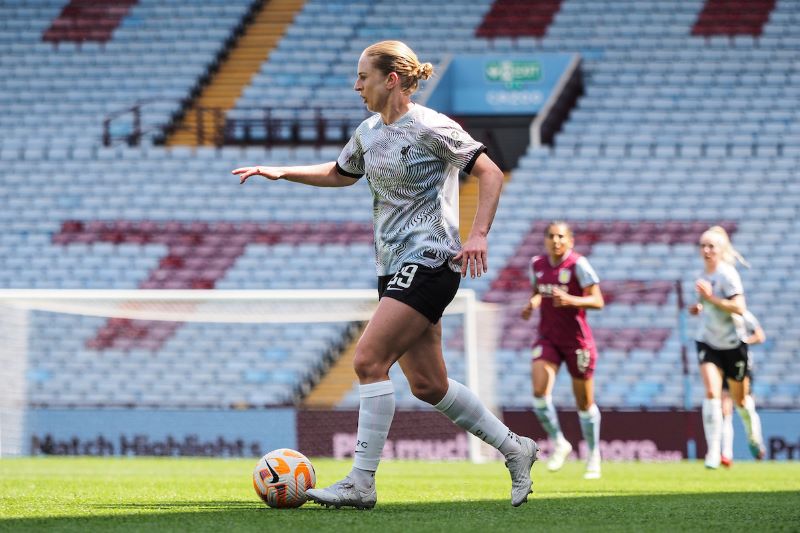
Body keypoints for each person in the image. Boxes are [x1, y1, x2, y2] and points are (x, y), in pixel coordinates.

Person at [232, 40, 538, 509]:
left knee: (368, 360)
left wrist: (479, 235)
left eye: (363, 76)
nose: (356, 85)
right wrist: (281, 171)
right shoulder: (369, 132)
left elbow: (491, 173)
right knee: (429, 384)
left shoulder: (432, 126)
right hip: (392, 266)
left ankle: (361, 481)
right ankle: (516, 448)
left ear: (390, 79)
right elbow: (339, 172)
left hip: (432, 259)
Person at [520, 221, 605, 480]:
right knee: (538, 392)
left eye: (560, 236)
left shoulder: (579, 265)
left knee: (584, 403)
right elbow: (538, 292)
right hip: (548, 338)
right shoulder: (537, 264)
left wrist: (572, 300)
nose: (555, 240)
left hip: (577, 341)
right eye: (551, 236)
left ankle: (593, 455)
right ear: (545, 239)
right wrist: (532, 303)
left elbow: (598, 300)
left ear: (570, 241)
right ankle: (559, 442)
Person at [688, 225, 766, 469]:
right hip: (708, 341)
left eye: (711, 246)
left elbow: (739, 307)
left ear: (721, 250)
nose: (706, 250)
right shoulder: (702, 276)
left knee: (740, 402)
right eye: (703, 245)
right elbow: (707, 305)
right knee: (711, 393)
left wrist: (710, 299)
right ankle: (713, 452)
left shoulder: (728, 274)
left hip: (733, 344)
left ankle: (753, 434)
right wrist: (699, 308)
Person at [720, 309, 766, 467]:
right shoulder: (717, 316)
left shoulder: (744, 315)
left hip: (742, 365)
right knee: (725, 410)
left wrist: (744, 341)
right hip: (724, 366)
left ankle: (755, 440)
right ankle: (726, 454)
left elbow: (760, 336)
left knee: (745, 406)